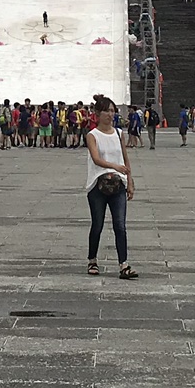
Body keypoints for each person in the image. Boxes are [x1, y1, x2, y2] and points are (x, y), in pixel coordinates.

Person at [84, 94, 136, 278]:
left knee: (120, 226)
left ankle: (124, 264)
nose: (110, 114)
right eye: (107, 111)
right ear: (98, 113)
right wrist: (114, 166)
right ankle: (92, 260)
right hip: (98, 186)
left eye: (113, 111)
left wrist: (129, 180)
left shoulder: (118, 133)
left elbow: (125, 157)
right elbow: (96, 159)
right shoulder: (92, 135)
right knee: (97, 224)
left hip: (118, 185)